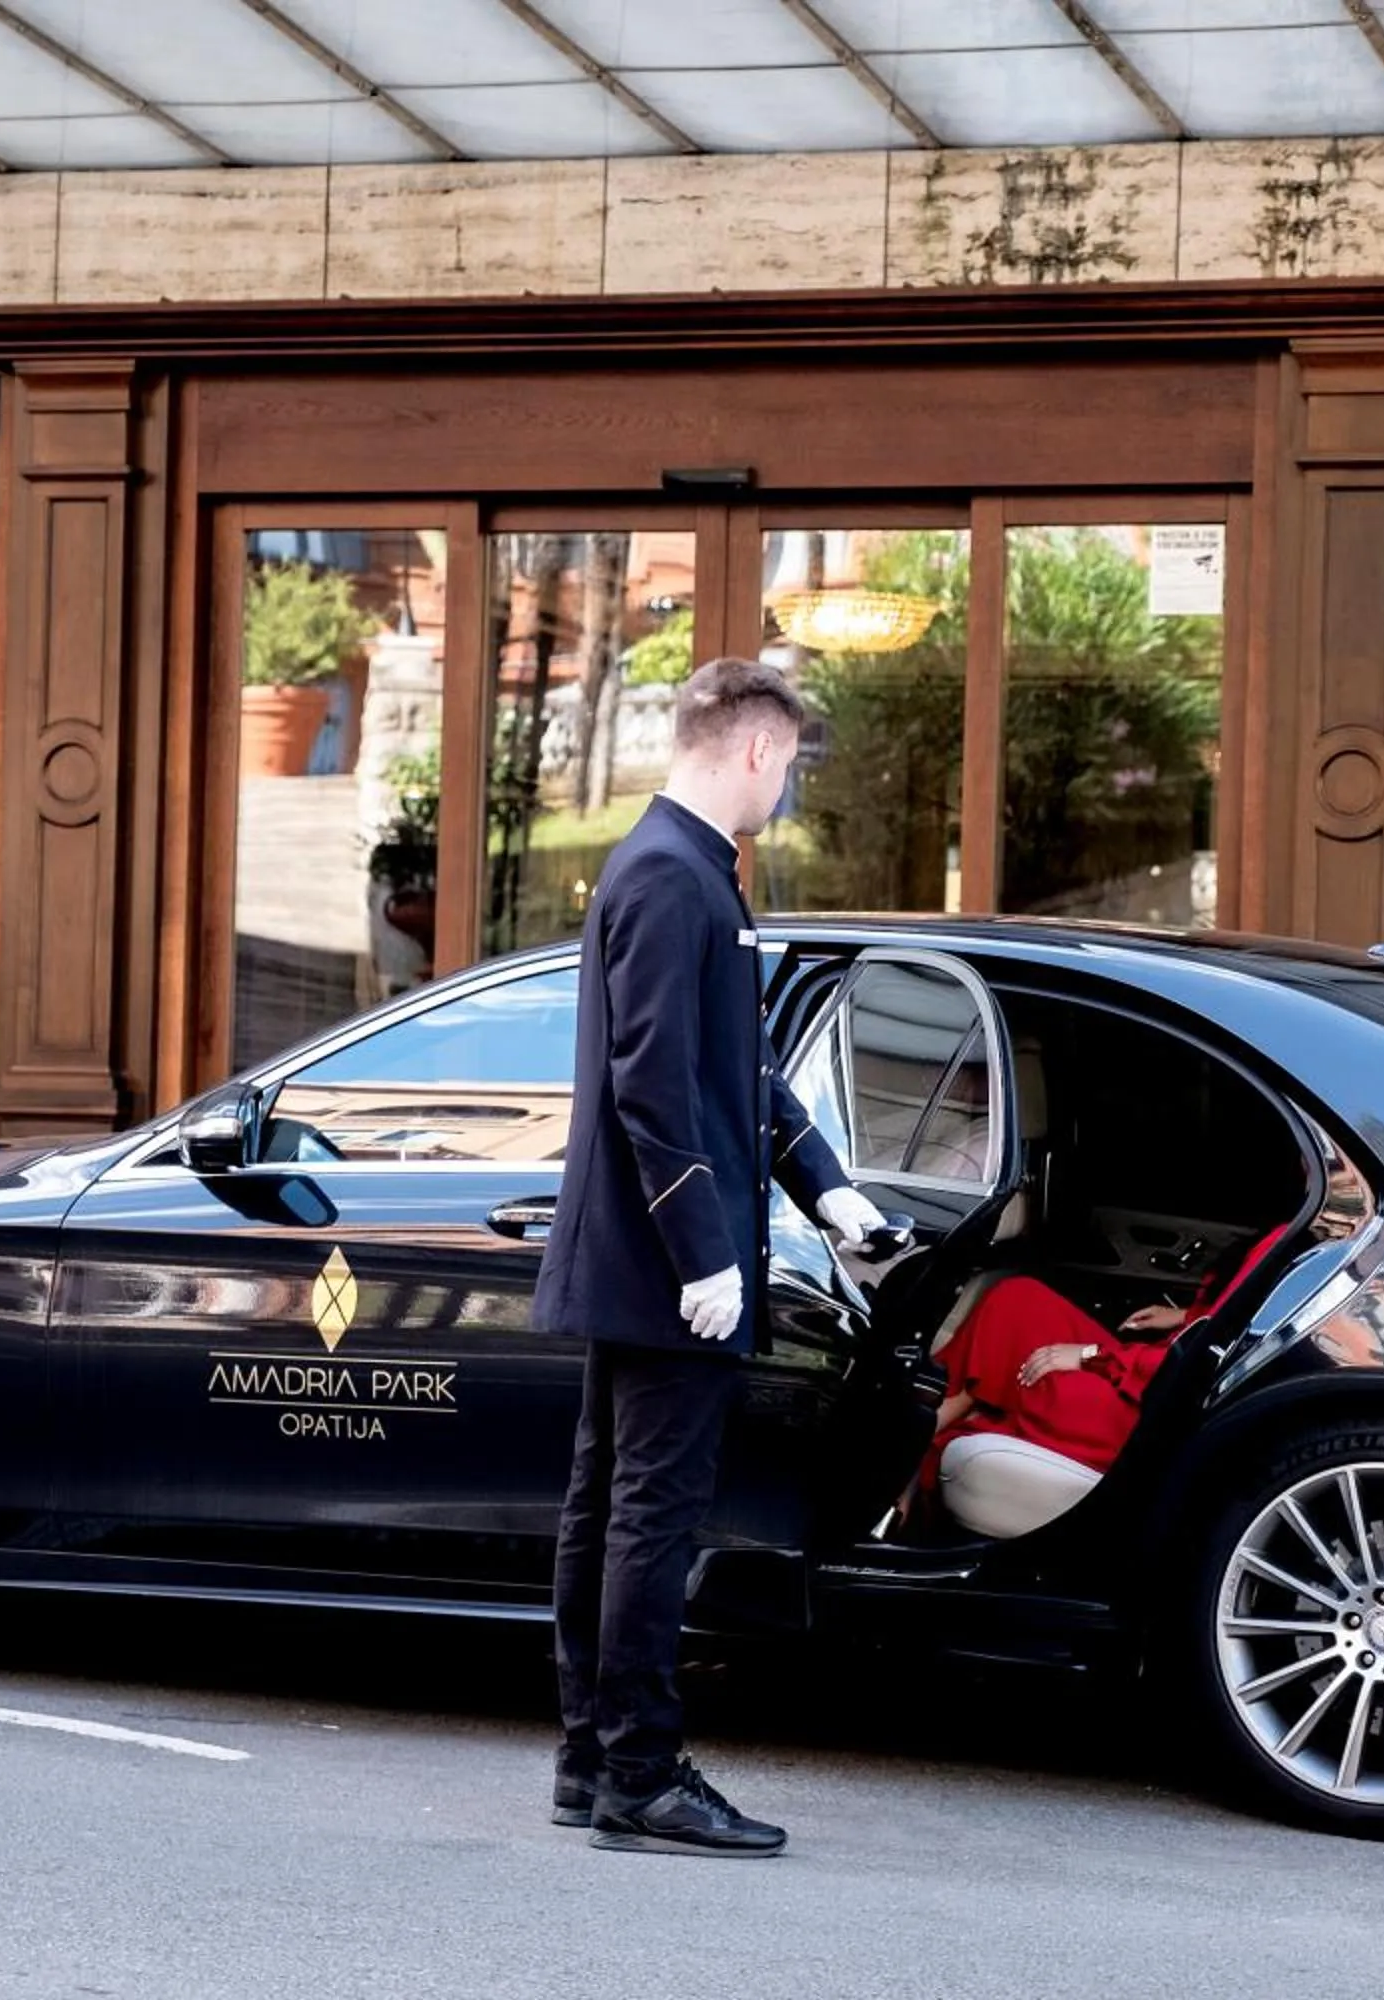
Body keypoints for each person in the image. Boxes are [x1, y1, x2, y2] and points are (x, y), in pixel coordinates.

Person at [534, 656, 886, 1860]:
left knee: (609, 1510)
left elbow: (733, 1070)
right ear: (753, 750)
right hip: (662, 1262)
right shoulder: (675, 880)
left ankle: (592, 1760)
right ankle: (636, 1767)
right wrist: (707, 1251)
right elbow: (651, 1084)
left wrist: (830, 1189)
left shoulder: (677, 870)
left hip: (636, 1258)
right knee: (649, 1518)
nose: (783, 788)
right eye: (785, 765)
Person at [910, 1226, 1286, 1539]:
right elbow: (1228, 1326)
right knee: (1019, 1298)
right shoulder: (1297, 1229)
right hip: (1164, 1372)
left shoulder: (1294, 1238)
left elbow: (1222, 1355)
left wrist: (1092, 1356)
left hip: (1156, 1412)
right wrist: (1187, 1316)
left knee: (1040, 1373)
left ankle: (918, 1440)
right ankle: (939, 1421)